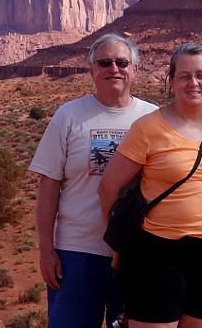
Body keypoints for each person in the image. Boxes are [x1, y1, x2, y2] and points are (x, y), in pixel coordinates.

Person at [99, 42, 202, 328]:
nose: (193, 83)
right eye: (184, 76)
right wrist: (117, 243)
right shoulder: (148, 128)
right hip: (158, 253)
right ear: (171, 81)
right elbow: (108, 187)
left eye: (201, 75)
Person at [29, 33, 158, 328]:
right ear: (92, 71)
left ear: (134, 69)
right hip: (76, 253)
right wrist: (46, 250)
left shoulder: (153, 118)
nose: (114, 68)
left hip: (134, 253)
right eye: (104, 62)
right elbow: (48, 187)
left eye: (122, 62)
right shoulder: (69, 116)